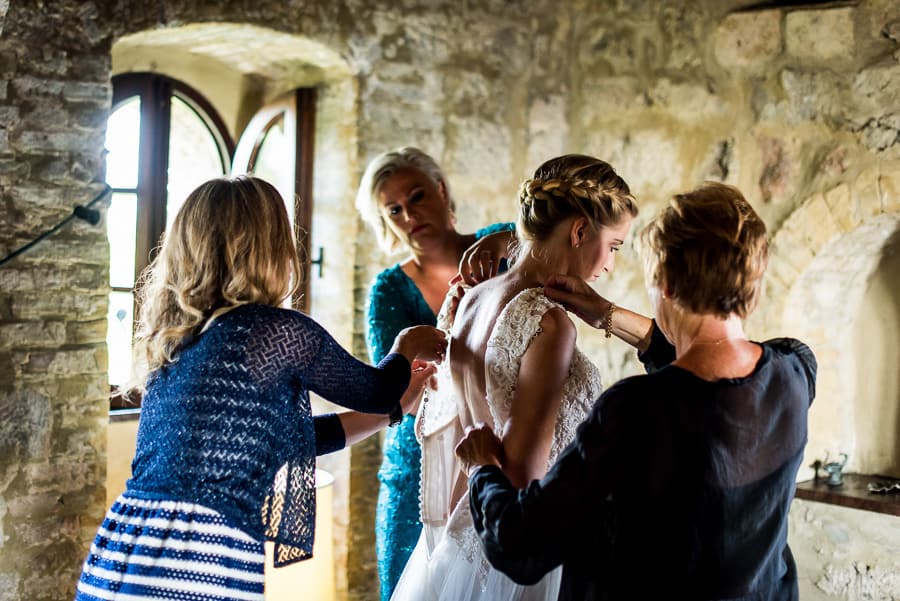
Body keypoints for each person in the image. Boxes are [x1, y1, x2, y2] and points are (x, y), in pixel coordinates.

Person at [75, 176, 447, 601]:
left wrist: (399, 408)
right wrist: (406, 347)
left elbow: (301, 439)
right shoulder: (276, 332)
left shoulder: (178, 340)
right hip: (196, 557)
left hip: (122, 547)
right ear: (270, 245)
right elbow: (376, 389)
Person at [457, 182, 818, 601]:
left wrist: (483, 471)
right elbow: (705, 374)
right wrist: (605, 312)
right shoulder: (795, 370)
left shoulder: (637, 410)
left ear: (664, 283)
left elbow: (521, 546)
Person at [390, 154, 639, 601]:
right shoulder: (549, 323)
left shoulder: (471, 298)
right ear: (580, 231)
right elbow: (523, 476)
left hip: (466, 534)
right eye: (615, 245)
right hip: (522, 549)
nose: (609, 265)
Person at [355, 147, 514, 600]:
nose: (409, 216)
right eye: (394, 210)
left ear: (442, 191)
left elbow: (549, 247)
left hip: (499, 447)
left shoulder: (502, 246)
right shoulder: (389, 289)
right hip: (418, 463)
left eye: (418, 196)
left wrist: (506, 243)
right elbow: (396, 394)